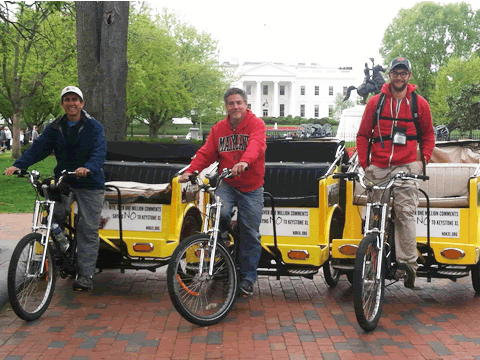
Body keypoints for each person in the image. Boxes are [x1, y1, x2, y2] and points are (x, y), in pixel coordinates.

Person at [4, 86, 107, 291]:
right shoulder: (55, 127)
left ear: (82, 103)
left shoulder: (94, 126)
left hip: (89, 182)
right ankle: (59, 256)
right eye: (67, 99)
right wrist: (20, 165)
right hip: (64, 180)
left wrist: (88, 168)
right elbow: (38, 149)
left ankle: (85, 275)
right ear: (62, 104)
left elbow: (99, 151)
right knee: (51, 220)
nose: (71, 103)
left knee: (87, 230)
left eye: (75, 99)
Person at [178, 87, 266, 296]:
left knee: (250, 234)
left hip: (252, 187)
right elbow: (206, 153)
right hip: (228, 184)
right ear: (226, 106)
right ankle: (224, 245)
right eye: (231, 103)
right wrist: (190, 171)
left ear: (246, 105)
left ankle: (247, 279)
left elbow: (257, 145)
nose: (235, 107)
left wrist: (245, 161)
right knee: (221, 214)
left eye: (239, 103)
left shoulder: (256, 124)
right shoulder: (219, 129)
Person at [356, 57, 435, 289]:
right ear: (389, 74)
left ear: (409, 76)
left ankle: (408, 265)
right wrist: (364, 162)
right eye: (395, 73)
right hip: (378, 166)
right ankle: (371, 255)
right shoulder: (375, 102)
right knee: (374, 214)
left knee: (405, 213)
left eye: (403, 73)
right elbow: (362, 135)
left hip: (407, 165)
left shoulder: (419, 104)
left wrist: (423, 161)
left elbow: (429, 135)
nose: (399, 77)